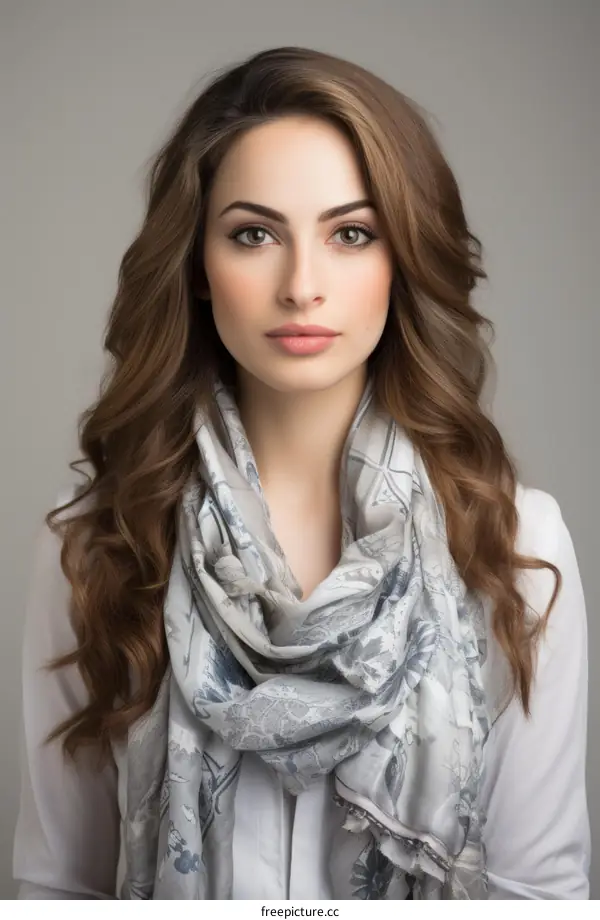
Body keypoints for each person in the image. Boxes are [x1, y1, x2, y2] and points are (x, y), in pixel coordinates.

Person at [13, 46, 590, 900]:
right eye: (254, 234)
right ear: (200, 270)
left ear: (402, 262)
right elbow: (57, 890)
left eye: (351, 234)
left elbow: (538, 895)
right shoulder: (102, 538)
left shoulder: (513, 542)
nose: (302, 285)